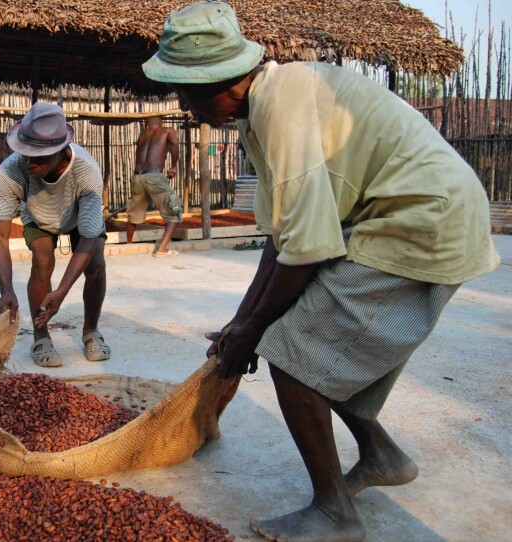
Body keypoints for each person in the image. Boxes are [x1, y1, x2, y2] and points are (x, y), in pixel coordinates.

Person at [143, 3, 500, 541]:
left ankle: (335, 512)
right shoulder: (263, 106)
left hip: (420, 222)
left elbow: (307, 252)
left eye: (189, 92)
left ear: (225, 80)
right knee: (304, 341)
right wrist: (240, 324)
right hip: (396, 220)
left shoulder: (281, 109)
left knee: (292, 355)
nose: (186, 106)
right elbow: (281, 240)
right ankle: (381, 454)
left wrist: (257, 333)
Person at [0, 103, 111, 368]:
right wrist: (6, 289)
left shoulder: (86, 171)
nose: (30, 163)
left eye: (40, 157)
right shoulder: (11, 171)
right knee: (42, 261)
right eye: (25, 154)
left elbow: (89, 239)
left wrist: (63, 290)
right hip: (38, 216)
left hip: (79, 215)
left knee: (96, 264)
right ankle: (41, 337)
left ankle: (91, 331)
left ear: (61, 151)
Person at [124, 116, 183, 256]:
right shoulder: (168, 130)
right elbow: (174, 144)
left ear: (146, 125)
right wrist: (174, 166)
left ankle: (128, 245)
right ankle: (162, 249)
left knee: (134, 214)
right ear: (160, 124)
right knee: (174, 211)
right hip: (154, 176)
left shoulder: (142, 137)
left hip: (138, 177)